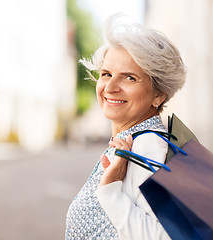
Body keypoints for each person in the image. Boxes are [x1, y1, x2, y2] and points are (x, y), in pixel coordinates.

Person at [65, 15, 186, 240]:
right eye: (106, 74)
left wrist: (111, 193)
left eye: (129, 78)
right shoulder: (132, 142)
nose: (110, 87)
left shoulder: (148, 149)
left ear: (158, 95)